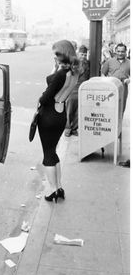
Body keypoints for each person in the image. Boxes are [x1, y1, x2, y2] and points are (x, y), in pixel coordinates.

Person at [37, 40, 79, 203]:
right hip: (61, 114)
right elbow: (58, 84)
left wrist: (42, 96)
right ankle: (59, 187)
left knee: (47, 155)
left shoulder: (61, 75)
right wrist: (55, 68)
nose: (53, 56)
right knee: (53, 152)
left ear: (63, 53)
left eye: (55, 53)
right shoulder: (74, 71)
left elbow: (45, 98)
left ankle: (53, 190)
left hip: (49, 115)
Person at [65, 45, 90, 137]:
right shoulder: (73, 63)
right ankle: (67, 128)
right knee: (69, 110)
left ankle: (74, 128)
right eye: (82, 54)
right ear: (78, 54)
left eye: (85, 54)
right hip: (73, 90)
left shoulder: (88, 63)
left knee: (79, 112)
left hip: (83, 91)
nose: (83, 56)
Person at [101, 43, 130, 113]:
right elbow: (103, 73)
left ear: (125, 52)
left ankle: (119, 123)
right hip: (111, 87)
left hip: (123, 87)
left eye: (122, 51)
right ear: (115, 51)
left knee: (121, 107)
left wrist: (129, 80)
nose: (120, 53)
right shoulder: (110, 61)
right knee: (110, 107)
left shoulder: (129, 63)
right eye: (118, 51)